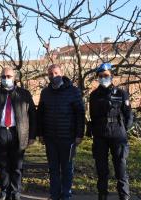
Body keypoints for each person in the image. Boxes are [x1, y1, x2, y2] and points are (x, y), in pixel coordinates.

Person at [0, 67, 36, 200]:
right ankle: (4, 191)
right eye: (4, 76)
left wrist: (32, 136)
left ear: (14, 78)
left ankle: (15, 192)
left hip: (18, 133)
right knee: (2, 165)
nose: (6, 79)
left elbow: (33, 116)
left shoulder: (24, 94)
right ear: (0, 77)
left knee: (17, 166)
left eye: (9, 76)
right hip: (0, 133)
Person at [37, 64, 85, 200]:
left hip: (68, 138)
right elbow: (40, 114)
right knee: (53, 169)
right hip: (50, 138)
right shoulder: (45, 92)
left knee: (67, 169)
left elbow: (80, 114)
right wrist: (40, 133)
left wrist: (79, 134)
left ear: (62, 73)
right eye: (51, 74)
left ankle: (66, 195)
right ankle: (54, 195)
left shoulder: (73, 91)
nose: (54, 76)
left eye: (56, 73)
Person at [88, 63, 133, 200]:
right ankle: (102, 196)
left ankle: (124, 197)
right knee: (102, 171)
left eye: (106, 75)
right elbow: (93, 115)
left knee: (121, 170)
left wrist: (123, 129)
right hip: (100, 136)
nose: (103, 78)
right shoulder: (94, 95)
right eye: (100, 76)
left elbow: (129, 115)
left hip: (118, 136)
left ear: (111, 76)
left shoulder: (121, 93)